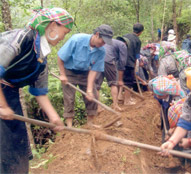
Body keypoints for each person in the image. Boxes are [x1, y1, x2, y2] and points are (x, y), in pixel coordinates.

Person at [0, 8, 74, 173]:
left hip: (10, 95)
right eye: (65, 32)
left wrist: (54, 117)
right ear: (53, 26)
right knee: (4, 147)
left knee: (16, 146)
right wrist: (2, 106)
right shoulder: (21, 38)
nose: (64, 37)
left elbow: (39, 91)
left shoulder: (42, 59)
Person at [57, 24, 113, 128]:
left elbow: (94, 70)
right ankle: (69, 126)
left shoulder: (101, 51)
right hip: (69, 71)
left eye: (106, 42)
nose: (103, 44)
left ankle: (90, 123)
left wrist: (89, 90)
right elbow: (60, 57)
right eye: (103, 41)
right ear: (96, 35)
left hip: (85, 73)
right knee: (69, 98)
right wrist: (62, 74)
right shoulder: (77, 40)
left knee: (93, 96)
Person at [95, 38, 127, 111]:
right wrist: (120, 80)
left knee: (96, 85)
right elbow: (122, 61)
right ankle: (115, 105)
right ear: (125, 43)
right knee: (113, 83)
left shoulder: (106, 41)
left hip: (98, 60)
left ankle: (98, 107)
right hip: (109, 61)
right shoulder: (123, 45)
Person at [123, 23, 144, 105]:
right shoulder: (137, 40)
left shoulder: (125, 36)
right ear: (141, 32)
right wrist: (135, 65)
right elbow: (137, 55)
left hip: (120, 61)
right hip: (129, 62)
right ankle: (127, 101)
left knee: (121, 80)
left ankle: (120, 97)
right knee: (128, 81)